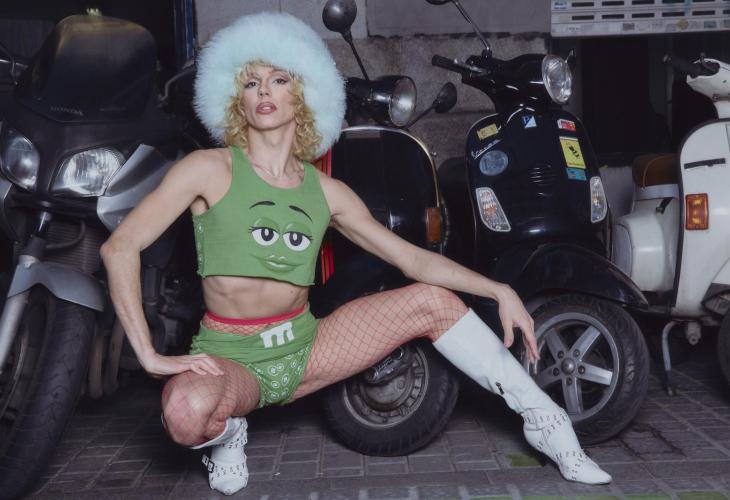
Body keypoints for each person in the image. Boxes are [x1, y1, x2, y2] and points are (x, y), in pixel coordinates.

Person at [100, 11, 612, 496]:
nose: (264, 92)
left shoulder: (327, 192)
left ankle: (546, 420)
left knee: (433, 301)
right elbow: (120, 246)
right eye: (251, 82)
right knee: (185, 414)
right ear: (236, 96)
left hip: (306, 348)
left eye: (278, 79)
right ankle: (229, 434)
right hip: (230, 357)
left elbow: (412, 260)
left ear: (303, 93)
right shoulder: (208, 169)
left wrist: (498, 289)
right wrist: (148, 354)